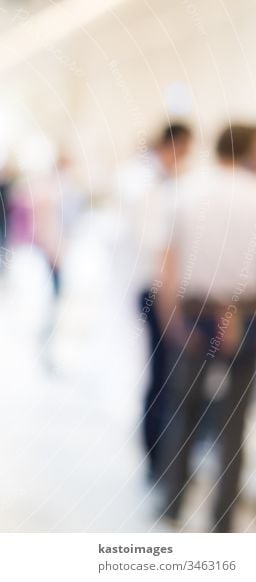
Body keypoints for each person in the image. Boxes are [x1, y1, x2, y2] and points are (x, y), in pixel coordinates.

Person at [157, 124, 256, 532]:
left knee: (183, 409)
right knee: (234, 418)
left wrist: (168, 318)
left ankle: (172, 503)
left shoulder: (184, 190)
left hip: (195, 312)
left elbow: (167, 262)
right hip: (247, 315)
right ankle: (223, 518)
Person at [117, 123, 193, 481]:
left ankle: (163, 457)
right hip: (155, 288)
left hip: (155, 285)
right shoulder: (148, 184)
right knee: (163, 375)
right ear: (174, 146)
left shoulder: (159, 182)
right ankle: (157, 459)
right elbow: (156, 244)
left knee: (165, 374)